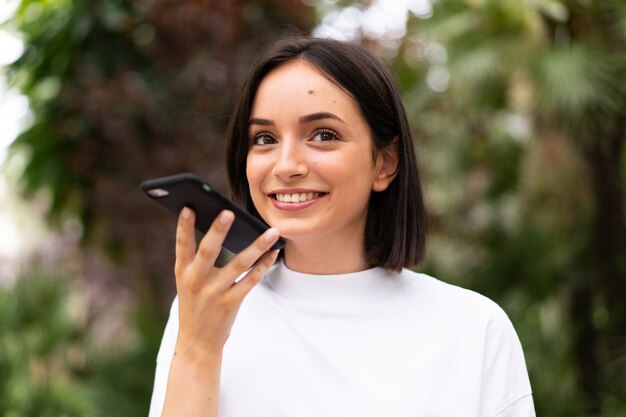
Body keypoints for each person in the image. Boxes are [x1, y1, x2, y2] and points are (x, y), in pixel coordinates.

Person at [148, 35, 535, 417]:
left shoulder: (473, 329)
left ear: (384, 163)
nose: (286, 165)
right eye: (264, 138)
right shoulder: (202, 312)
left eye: (323, 135)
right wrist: (199, 351)